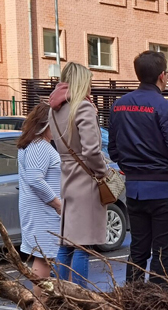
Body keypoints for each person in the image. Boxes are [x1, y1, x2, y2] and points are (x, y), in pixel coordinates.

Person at [109, 50, 168, 285]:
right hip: (164, 191)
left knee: (138, 252)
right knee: (162, 256)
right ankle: (155, 309)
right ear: (162, 75)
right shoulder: (163, 107)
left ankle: (131, 304)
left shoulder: (119, 106)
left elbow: (113, 150)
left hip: (134, 191)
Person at [48, 61, 108, 286]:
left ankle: (60, 297)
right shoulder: (82, 107)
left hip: (68, 176)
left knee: (67, 244)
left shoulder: (54, 109)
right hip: (86, 179)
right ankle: (80, 299)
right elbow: (92, 150)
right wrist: (102, 172)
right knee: (83, 245)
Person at [16, 102, 62, 293]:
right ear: (46, 124)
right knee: (44, 258)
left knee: (42, 257)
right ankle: (40, 308)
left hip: (38, 208)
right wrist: (56, 202)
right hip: (43, 211)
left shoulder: (30, 145)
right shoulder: (39, 146)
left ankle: (40, 307)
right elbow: (35, 179)